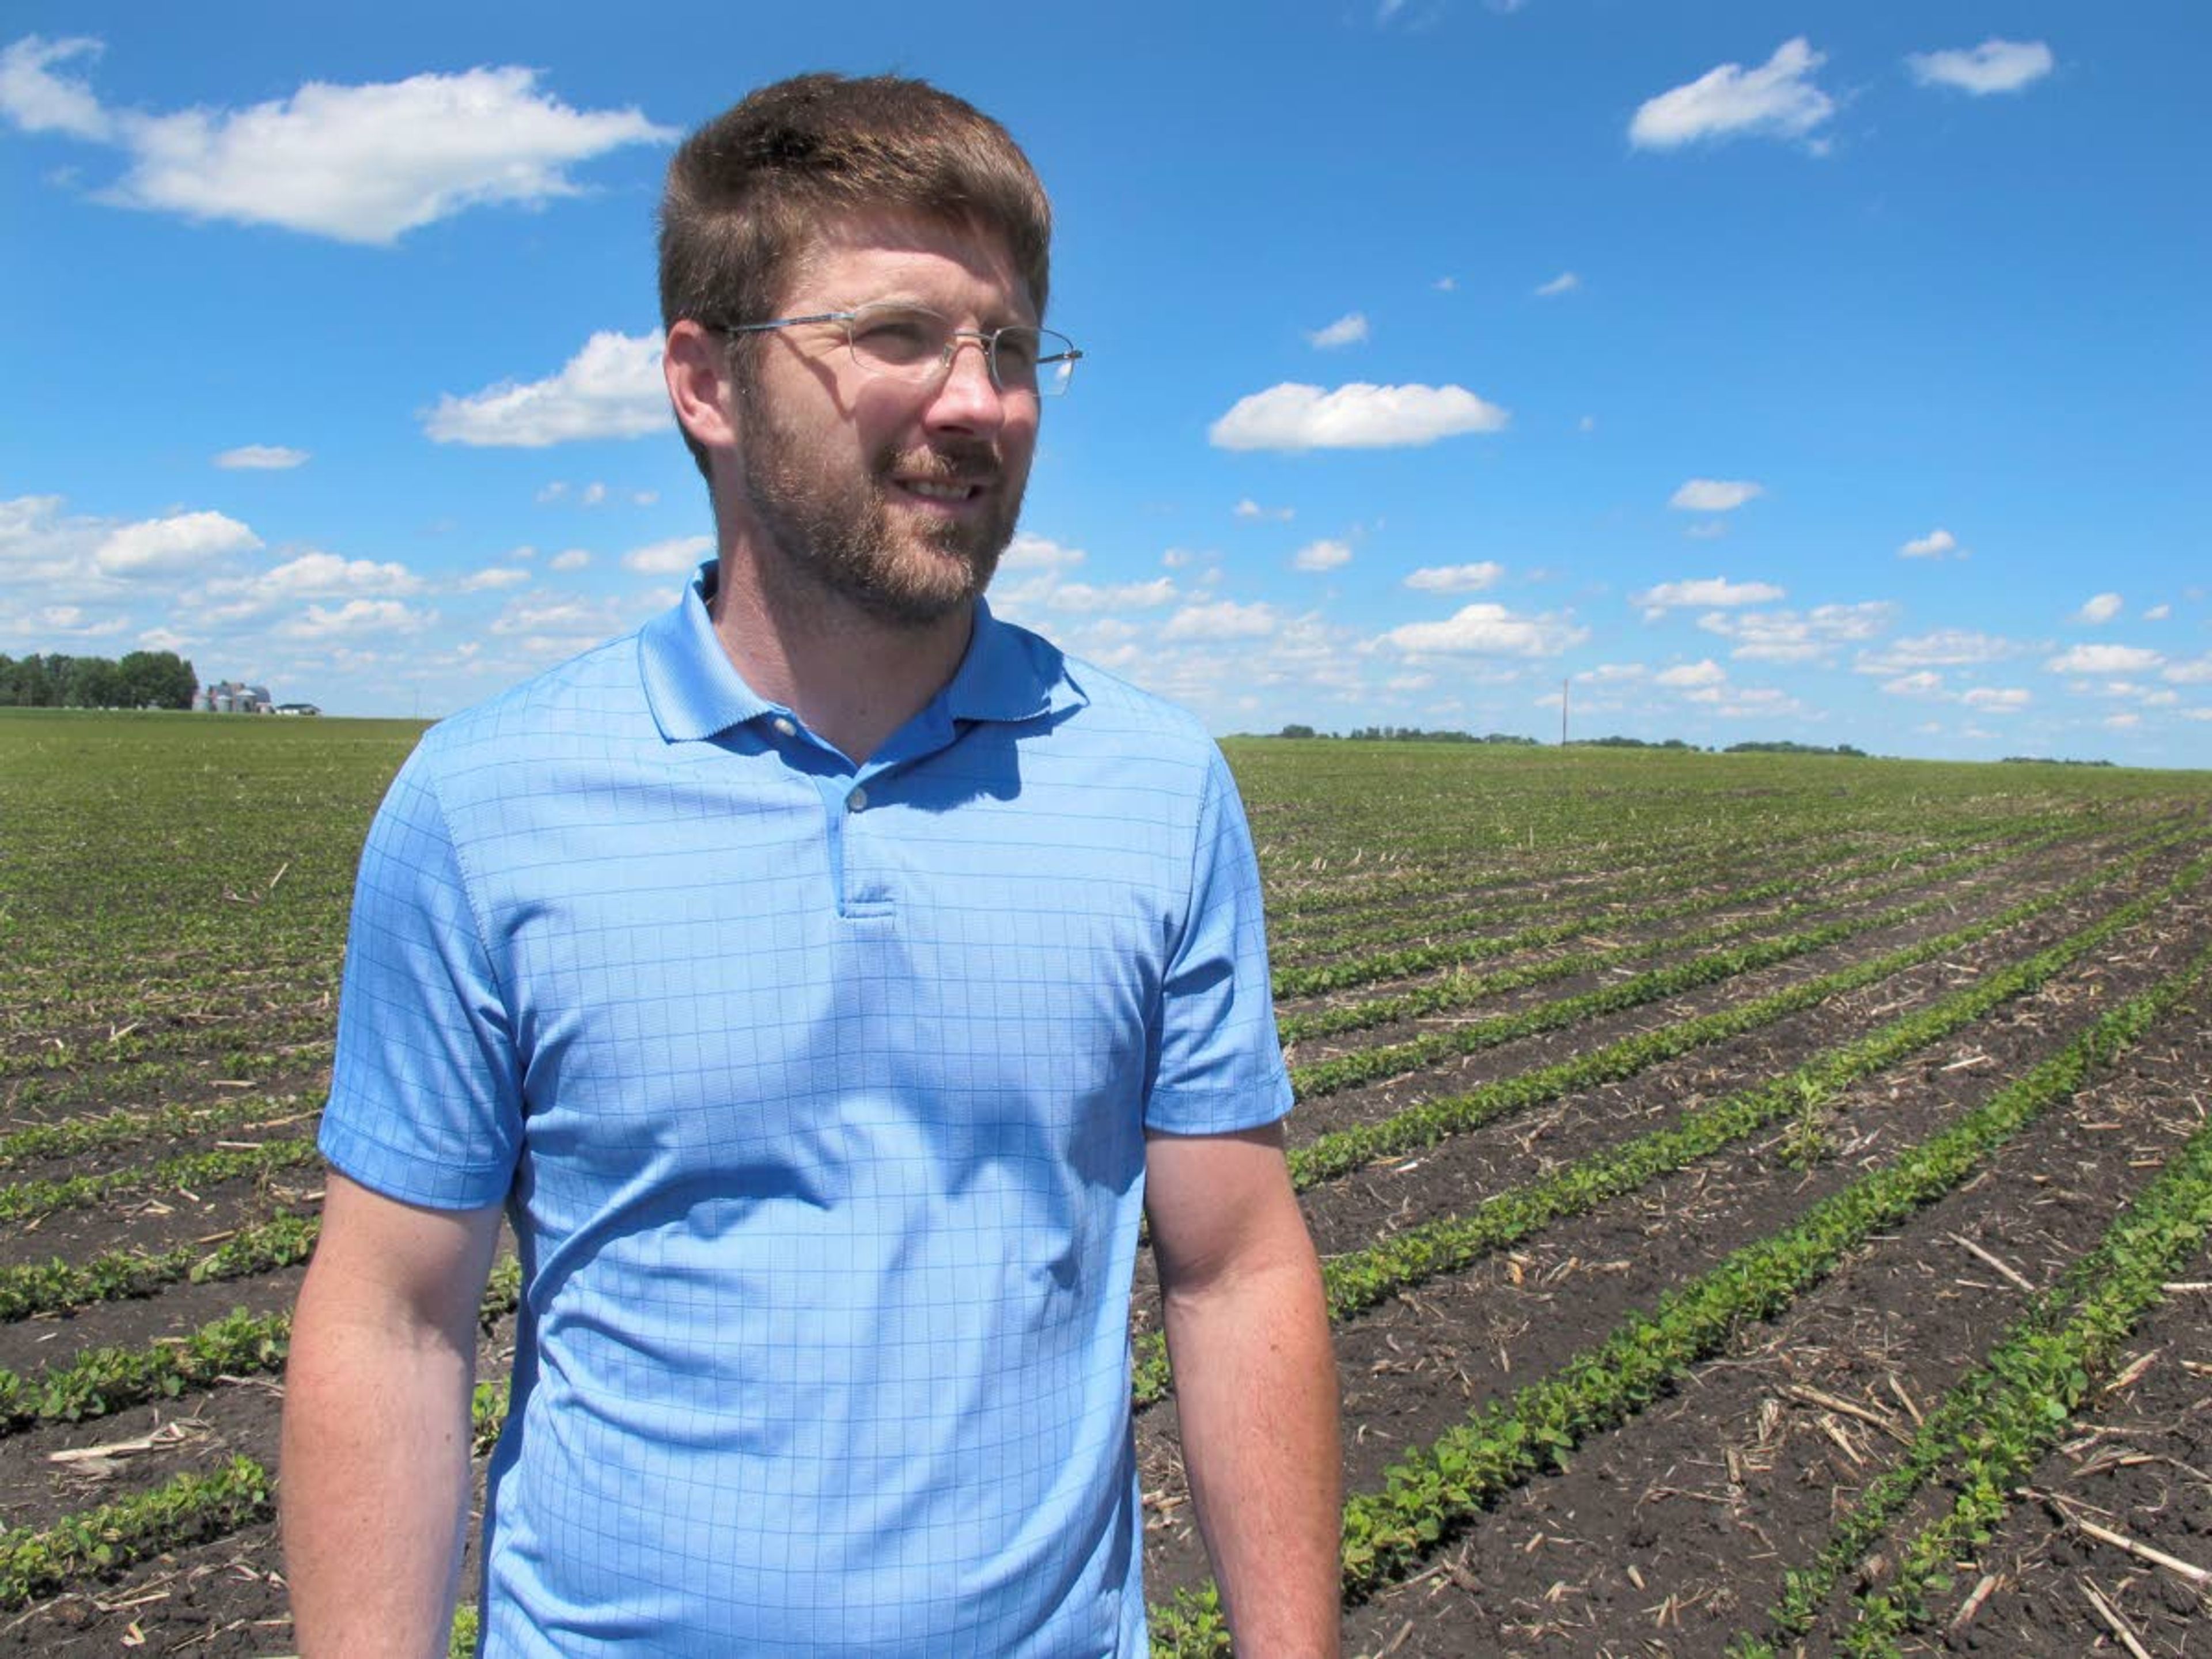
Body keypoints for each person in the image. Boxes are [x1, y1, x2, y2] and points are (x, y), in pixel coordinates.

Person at [281, 72, 1340, 1657]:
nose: (978, 400)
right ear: (705, 382)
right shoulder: (488, 802)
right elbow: (392, 1316)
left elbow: (1239, 1266)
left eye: (1010, 344)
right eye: (898, 336)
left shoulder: (1155, 789)